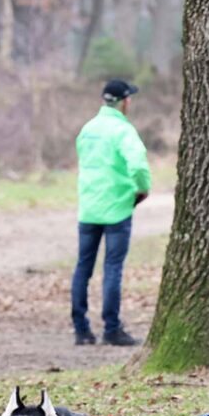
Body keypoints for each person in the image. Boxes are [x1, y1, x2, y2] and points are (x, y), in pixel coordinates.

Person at [71, 79, 151, 346]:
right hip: (117, 207)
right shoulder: (123, 131)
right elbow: (138, 165)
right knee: (112, 268)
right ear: (125, 101)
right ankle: (111, 328)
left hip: (89, 208)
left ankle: (81, 330)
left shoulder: (88, 129)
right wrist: (142, 190)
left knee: (83, 267)